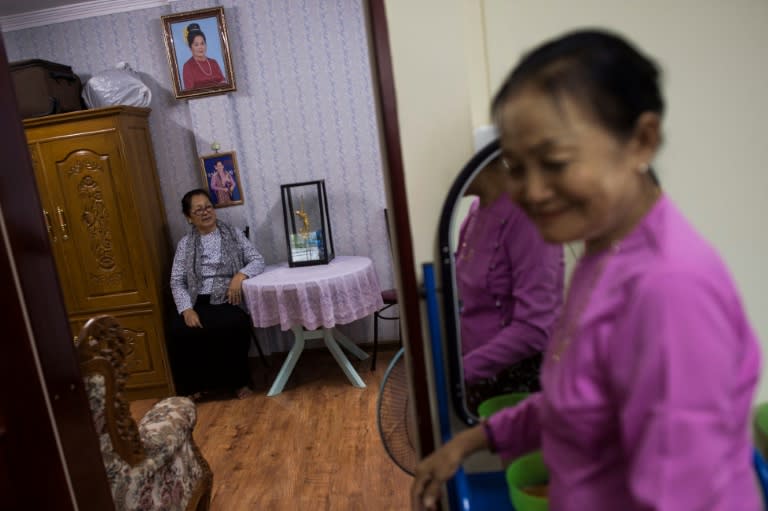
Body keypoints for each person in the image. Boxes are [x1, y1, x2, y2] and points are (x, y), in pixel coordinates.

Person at [412, 29, 761, 511]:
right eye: (516, 166)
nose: (530, 191)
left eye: (555, 162)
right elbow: (576, 397)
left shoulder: (669, 291)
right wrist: (471, 441)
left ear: (642, 141)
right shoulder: (603, 255)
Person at [456, 156, 564, 412]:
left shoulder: (529, 218)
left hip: (516, 382)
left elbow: (536, 328)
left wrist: (463, 371)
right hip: (478, 376)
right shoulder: (475, 212)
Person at [168, 189, 265, 400]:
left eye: (208, 207)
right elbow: (176, 281)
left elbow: (257, 260)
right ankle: (194, 387)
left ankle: (239, 383)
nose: (205, 212)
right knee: (178, 330)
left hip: (227, 297)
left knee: (234, 324)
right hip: (197, 299)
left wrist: (240, 275)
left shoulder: (233, 234)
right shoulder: (185, 244)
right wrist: (186, 310)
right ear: (189, 217)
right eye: (198, 210)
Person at [181, 23, 227, 90]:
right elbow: (189, 92)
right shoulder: (188, 66)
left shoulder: (213, 62)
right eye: (196, 45)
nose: (200, 47)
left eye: (202, 43)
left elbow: (224, 83)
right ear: (190, 47)